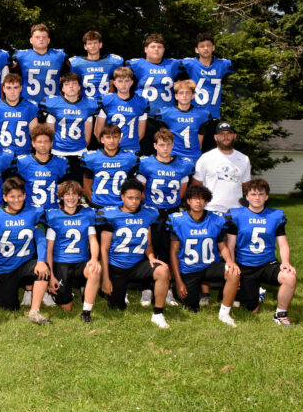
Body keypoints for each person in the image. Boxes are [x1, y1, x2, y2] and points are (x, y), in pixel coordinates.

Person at [97, 179, 171, 328]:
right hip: (116, 267)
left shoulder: (147, 214)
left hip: (137, 265)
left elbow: (148, 244)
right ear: (122, 197)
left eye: (137, 198)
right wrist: (105, 278)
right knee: (116, 308)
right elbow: (104, 250)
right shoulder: (111, 215)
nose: (134, 202)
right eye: (130, 198)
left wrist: (151, 257)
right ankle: (113, 291)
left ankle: (158, 314)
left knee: (163, 270)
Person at [135, 129, 194, 309]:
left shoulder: (182, 165)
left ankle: (166, 289)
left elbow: (182, 190)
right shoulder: (146, 164)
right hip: (152, 211)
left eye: (168, 144)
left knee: (169, 250)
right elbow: (140, 189)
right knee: (148, 248)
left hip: (172, 212)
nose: (165, 148)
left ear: (173, 145)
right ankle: (146, 288)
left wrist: (173, 207)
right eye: (161, 144)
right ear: (155, 146)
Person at [226, 179, 296, 325]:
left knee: (289, 277)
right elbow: (230, 246)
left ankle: (280, 314)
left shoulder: (275, 215)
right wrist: (232, 264)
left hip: (267, 264)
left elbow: (283, 243)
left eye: (260, 194)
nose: (257, 197)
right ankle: (258, 296)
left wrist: (286, 262)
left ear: (266, 197)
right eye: (253, 194)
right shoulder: (236, 215)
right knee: (251, 309)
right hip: (245, 265)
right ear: (247, 197)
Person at [168, 185, 239, 327]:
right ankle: (190, 295)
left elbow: (222, 246)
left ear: (206, 201)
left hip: (210, 266)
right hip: (188, 269)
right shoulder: (178, 220)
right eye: (194, 199)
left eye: (201, 199)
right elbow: (173, 253)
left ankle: (224, 313)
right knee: (191, 308)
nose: (198, 202)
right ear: (188, 201)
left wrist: (230, 261)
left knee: (233, 272)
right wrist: (179, 281)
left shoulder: (215, 219)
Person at [0, 177, 52, 324]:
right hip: (3, 268)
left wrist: (41, 261)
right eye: (12, 196)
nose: (17, 200)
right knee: (9, 307)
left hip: (24, 263)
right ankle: (1, 292)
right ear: (5, 197)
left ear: (25, 195)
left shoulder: (34, 211)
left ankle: (34, 312)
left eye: (20, 196)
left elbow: (40, 239)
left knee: (43, 269)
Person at [44, 181, 101, 323]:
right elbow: (49, 249)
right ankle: (67, 292)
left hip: (81, 262)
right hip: (61, 262)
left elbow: (93, 239)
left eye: (74, 194)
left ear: (79, 196)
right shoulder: (54, 216)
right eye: (67, 194)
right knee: (66, 308)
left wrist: (94, 259)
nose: (71, 197)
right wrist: (51, 275)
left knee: (95, 269)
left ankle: (86, 312)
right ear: (61, 197)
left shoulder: (87, 214)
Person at [126, 33, 181, 156]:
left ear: (164, 50)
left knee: (166, 153)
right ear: (146, 49)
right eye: (153, 46)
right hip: (145, 117)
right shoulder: (136, 64)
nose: (156, 49)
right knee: (143, 153)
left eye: (160, 47)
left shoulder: (172, 65)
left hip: (167, 118)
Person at [39, 72, 97, 182]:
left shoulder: (89, 105)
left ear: (79, 87)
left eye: (74, 84)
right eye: (67, 84)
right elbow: (49, 132)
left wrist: (79, 147)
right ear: (62, 89)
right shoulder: (53, 104)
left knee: (78, 189)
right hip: (58, 152)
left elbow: (87, 136)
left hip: (79, 152)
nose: (71, 87)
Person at [180, 32, 234, 150]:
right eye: (202, 46)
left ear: (213, 47)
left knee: (211, 154)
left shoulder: (223, 64)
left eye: (208, 45)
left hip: (213, 116)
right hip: (194, 115)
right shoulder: (190, 63)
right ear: (196, 49)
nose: (205, 48)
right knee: (192, 152)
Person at [192, 120, 251, 212]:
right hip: (211, 210)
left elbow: (244, 186)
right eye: (222, 134)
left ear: (234, 136)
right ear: (216, 137)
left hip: (236, 211)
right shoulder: (205, 158)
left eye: (229, 133)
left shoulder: (244, 159)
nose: (225, 136)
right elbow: (195, 187)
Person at [82, 124, 139, 209]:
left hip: (121, 206)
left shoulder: (129, 158)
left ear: (120, 139)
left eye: (115, 137)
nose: (112, 141)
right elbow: (86, 186)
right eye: (108, 137)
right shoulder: (92, 158)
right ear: (102, 139)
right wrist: (94, 202)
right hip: (99, 205)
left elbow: (133, 185)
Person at [15, 123, 69, 210]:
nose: (43, 145)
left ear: (51, 143)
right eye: (39, 142)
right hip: (31, 211)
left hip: (53, 210)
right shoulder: (23, 162)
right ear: (33, 143)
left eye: (46, 142)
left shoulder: (61, 162)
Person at [11, 23, 68, 104]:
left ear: (48, 40)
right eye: (37, 37)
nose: (41, 39)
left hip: (54, 105)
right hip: (27, 104)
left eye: (44, 37)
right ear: (31, 40)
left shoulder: (59, 56)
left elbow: (68, 80)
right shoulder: (21, 56)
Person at [95, 66, 148, 153]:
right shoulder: (106, 101)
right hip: (110, 149)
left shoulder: (141, 102)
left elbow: (141, 132)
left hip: (132, 148)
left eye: (126, 81)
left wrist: (131, 144)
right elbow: (98, 131)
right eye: (120, 81)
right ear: (114, 83)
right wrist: (108, 146)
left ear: (131, 82)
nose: (123, 84)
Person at [156, 78, 211, 162]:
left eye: (188, 93)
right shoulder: (167, 113)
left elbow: (200, 139)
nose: (184, 95)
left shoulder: (201, 114)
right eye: (181, 93)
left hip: (194, 156)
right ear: (176, 96)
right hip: (174, 155)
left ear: (192, 96)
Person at [0, 73, 39, 155]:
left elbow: (35, 135)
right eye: (9, 88)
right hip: (0, 155)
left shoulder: (30, 107)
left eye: (16, 87)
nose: (12, 91)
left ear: (21, 88)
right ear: (3, 89)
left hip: (24, 154)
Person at [69, 30, 125, 102]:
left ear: (100, 45)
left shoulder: (112, 61)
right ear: (85, 46)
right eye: (89, 43)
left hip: (106, 103)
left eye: (95, 43)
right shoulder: (76, 63)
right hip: (85, 104)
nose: (92, 46)